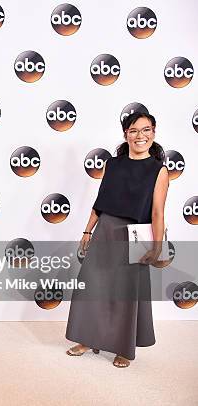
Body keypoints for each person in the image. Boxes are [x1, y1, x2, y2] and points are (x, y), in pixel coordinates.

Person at [65, 112, 168, 368]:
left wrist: (158, 247)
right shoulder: (113, 164)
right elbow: (100, 202)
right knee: (91, 286)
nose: (140, 135)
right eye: (134, 130)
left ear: (153, 133)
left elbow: (157, 212)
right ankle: (88, 338)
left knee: (126, 294)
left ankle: (124, 347)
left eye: (146, 130)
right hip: (105, 230)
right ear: (126, 135)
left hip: (135, 234)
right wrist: (87, 231)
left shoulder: (159, 170)